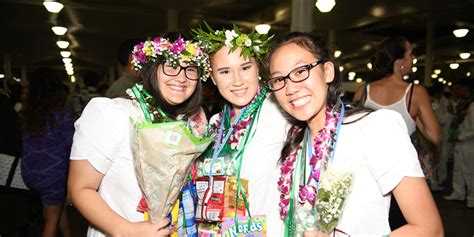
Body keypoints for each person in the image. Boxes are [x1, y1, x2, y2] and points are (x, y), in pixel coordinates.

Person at [267, 32, 443, 236]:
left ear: (328, 72)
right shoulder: (294, 146)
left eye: (300, 71)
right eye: (279, 79)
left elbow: (430, 229)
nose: (290, 88)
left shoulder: (375, 128)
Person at [68, 35, 210, 237]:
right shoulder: (114, 113)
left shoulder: (195, 121)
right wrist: (126, 230)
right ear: (152, 69)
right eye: (171, 65)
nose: (181, 77)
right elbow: (80, 188)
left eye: (191, 69)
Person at [192, 24, 289, 235]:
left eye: (245, 68)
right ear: (213, 78)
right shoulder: (216, 122)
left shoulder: (281, 111)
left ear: (258, 69)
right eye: (225, 71)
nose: (237, 81)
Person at [352, 36, 441, 228]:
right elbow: (435, 136)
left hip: (368, 174)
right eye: (410, 54)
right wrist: (413, 120)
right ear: (399, 62)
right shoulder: (415, 93)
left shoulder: (363, 91)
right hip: (402, 177)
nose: (413, 59)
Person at [20, 68, 75, 237]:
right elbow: (72, 146)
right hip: (52, 175)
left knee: (56, 211)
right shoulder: (61, 115)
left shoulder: (28, 115)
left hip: (29, 173)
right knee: (51, 219)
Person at [444, 78, 474, 208]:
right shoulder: (463, 103)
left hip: (469, 142)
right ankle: (458, 192)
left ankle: (472, 197)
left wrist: (460, 136)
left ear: (465, 89)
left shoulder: (472, 105)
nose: (456, 90)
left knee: (469, 170)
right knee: (457, 169)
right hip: (459, 140)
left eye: (459, 88)